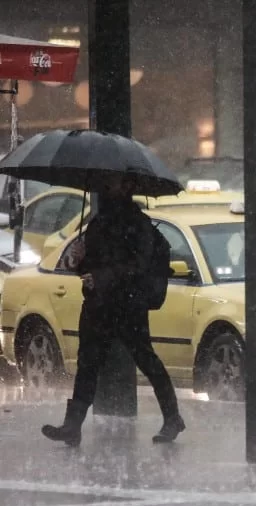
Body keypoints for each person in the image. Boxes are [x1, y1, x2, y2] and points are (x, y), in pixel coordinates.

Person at [42, 175, 185, 446]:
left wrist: (102, 276)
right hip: (98, 306)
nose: (107, 189)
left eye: (114, 184)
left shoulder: (138, 225)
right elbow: (89, 266)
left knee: (146, 360)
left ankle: (172, 417)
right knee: (88, 364)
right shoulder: (98, 222)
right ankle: (72, 426)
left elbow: (138, 266)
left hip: (128, 305)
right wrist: (78, 260)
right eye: (105, 184)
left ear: (128, 187)